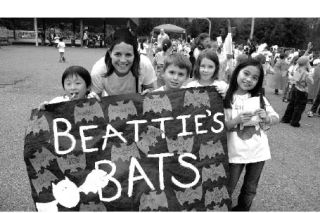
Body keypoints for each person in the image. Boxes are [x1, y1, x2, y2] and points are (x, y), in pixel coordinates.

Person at [224, 59, 279, 211]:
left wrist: (267, 117)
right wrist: (236, 120)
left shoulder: (260, 99)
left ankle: (242, 209)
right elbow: (221, 127)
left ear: (258, 81)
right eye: (246, 73)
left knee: (250, 188)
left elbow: (276, 118)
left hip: (258, 151)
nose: (248, 79)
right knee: (228, 187)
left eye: (254, 78)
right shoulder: (225, 97)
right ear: (237, 72)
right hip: (235, 152)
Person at [90, 28, 157, 99]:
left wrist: (150, 93)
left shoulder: (144, 64)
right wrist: (93, 98)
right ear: (110, 53)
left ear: (135, 54)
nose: (123, 60)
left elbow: (151, 88)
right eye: (118, 54)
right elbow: (97, 101)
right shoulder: (98, 71)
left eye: (128, 55)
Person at [281, 56, 314, 127]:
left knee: (292, 104)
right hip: (302, 91)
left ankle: (286, 119)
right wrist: (310, 69)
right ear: (306, 63)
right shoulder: (306, 73)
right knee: (299, 107)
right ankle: (294, 122)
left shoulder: (297, 68)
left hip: (295, 88)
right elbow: (311, 82)